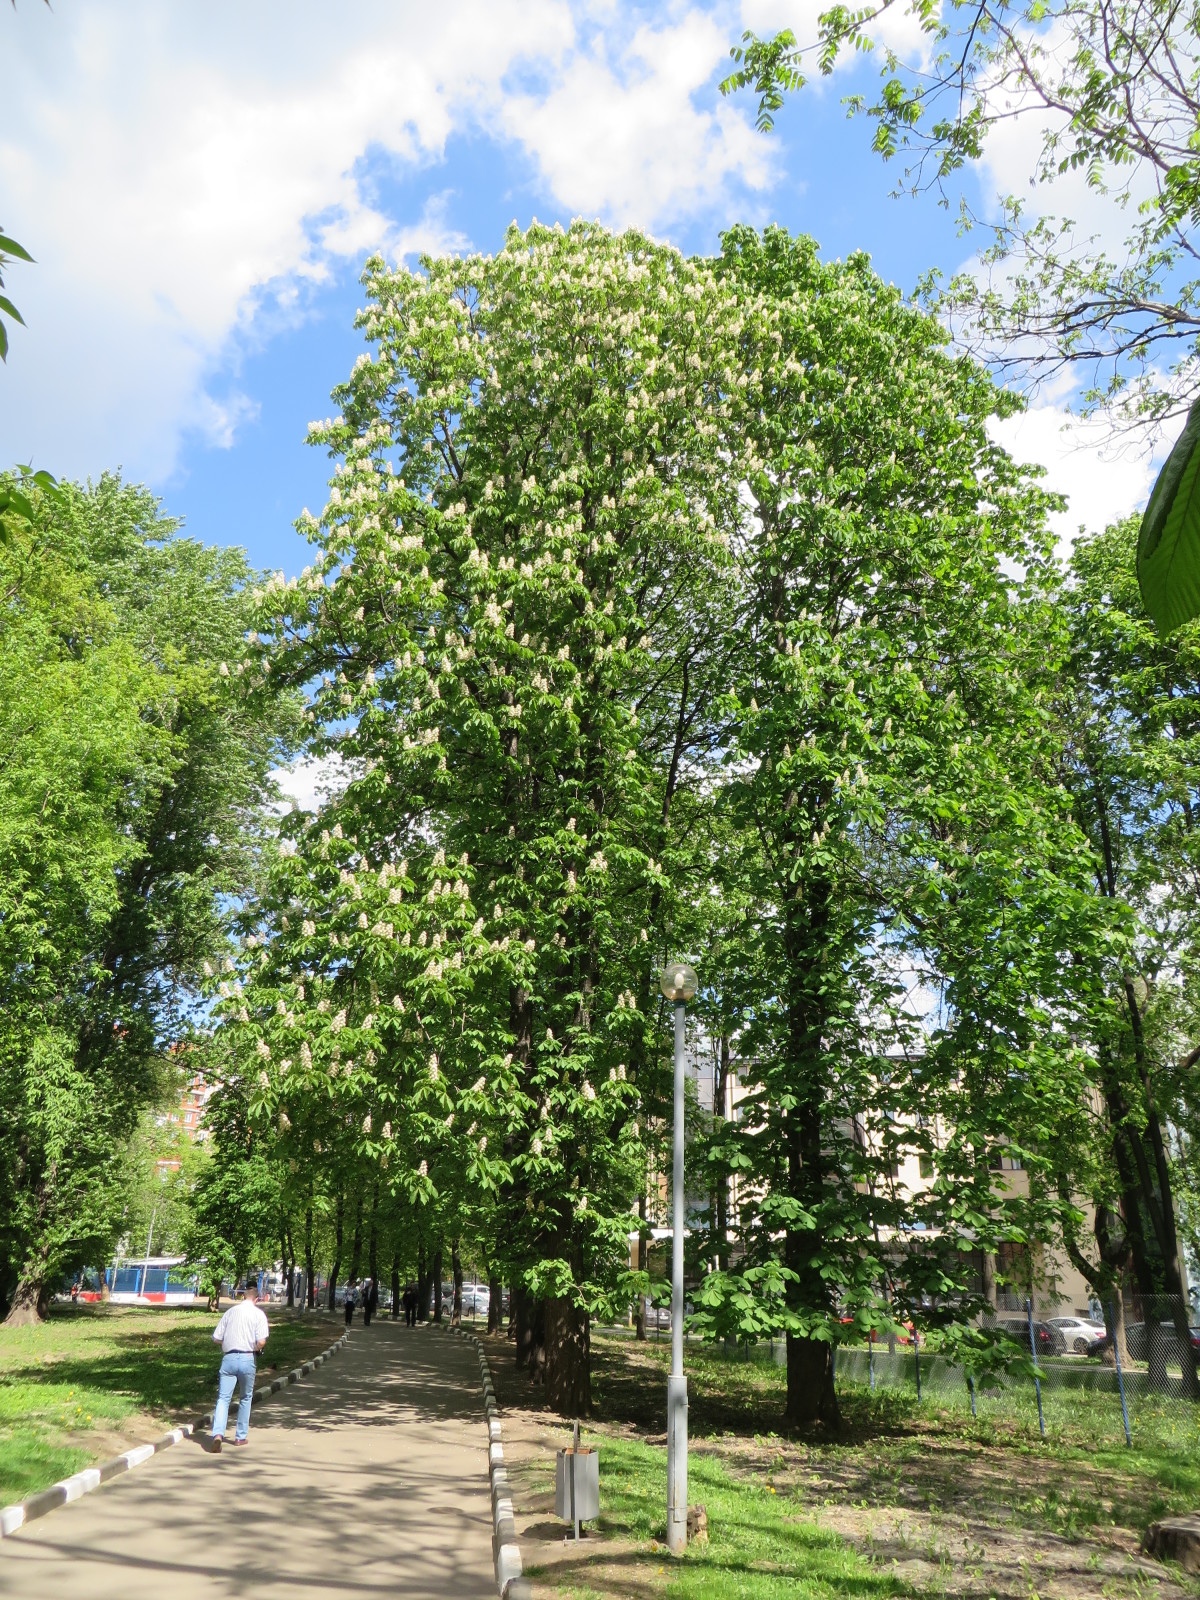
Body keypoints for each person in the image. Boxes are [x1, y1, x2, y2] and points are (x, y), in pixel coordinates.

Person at [210, 1281, 269, 1452]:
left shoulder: (230, 1312)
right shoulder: (259, 1315)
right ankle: (240, 1437)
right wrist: (255, 1348)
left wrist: (228, 1341)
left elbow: (216, 1338)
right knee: (245, 1397)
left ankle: (218, 1434)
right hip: (247, 1358)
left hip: (228, 1358)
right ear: (256, 1299)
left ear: (243, 1296)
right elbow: (261, 1342)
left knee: (223, 1398)